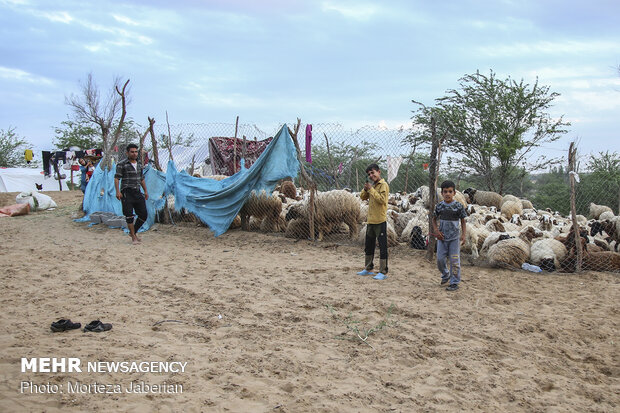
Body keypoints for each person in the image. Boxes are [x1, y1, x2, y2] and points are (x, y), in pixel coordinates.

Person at [432, 180, 467, 291]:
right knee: (440, 259)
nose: (447, 194)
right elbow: (433, 219)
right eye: (445, 191)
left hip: (454, 239)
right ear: (442, 193)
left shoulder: (458, 206)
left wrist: (464, 235)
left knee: (454, 260)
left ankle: (454, 282)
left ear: (454, 193)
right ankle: (445, 273)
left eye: (450, 191)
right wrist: (436, 231)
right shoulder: (439, 206)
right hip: (442, 238)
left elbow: (463, 221)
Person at [357, 163, 390, 280]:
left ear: (379, 172)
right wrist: (366, 189)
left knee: (382, 246)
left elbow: (382, 200)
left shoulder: (383, 185)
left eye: (373, 173)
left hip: (380, 221)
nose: (371, 175)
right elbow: (362, 197)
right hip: (370, 221)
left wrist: (371, 189)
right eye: (369, 174)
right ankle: (368, 268)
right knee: (369, 245)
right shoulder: (372, 186)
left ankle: (383, 271)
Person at [115, 144, 149, 244]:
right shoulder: (122, 164)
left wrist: (146, 191)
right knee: (129, 215)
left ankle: (133, 232)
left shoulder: (139, 164)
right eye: (132, 152)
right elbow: (117, 178)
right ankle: (134, 237)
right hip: (126, 192)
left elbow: (141, 178)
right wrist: (118, 191)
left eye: (136, 152)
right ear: (127, 153)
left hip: (137, 192)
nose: (134, 154)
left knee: (143, 214)